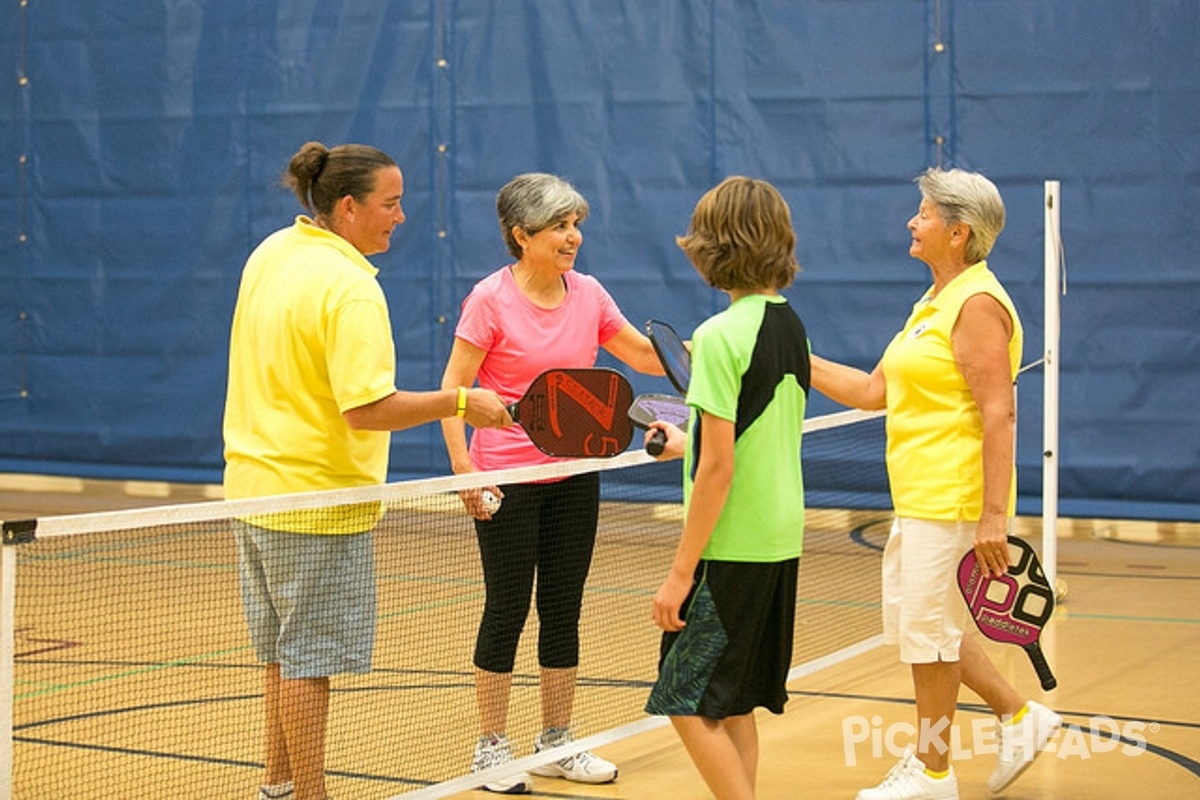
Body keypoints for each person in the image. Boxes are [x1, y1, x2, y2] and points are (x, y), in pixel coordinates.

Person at [223, 141, 511, 800]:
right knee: (309, 665)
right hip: (317, 504)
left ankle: (278, 787)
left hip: (251, 493)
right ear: (348, 207)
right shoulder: (349, 287)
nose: (401, 216)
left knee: (282, 656)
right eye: (391, 203)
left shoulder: (270, 252)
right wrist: (464, 401)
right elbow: (367, 409)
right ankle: (314, 796)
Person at [809, 167, 1063, 800]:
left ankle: (931, 772)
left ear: (959, 232)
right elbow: (873, 392)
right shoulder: (933, 302)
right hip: (917, 498)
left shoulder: (977, 304)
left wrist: (992, 518)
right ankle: (1021, 715)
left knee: (930, 635)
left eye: (922, 214)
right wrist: (794, 353)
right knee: (931, 630)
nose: (911, 222)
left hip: (952, 501)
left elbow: (999, 413)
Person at [440, 172, 663, 794]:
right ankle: (491, 750)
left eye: (575, 224)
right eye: (560, 227)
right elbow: (455, 393)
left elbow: (642, 355)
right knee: (507, 609)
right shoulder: (489, 300)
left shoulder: (588, 294)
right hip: (506, 478)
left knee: (563, 610)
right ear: (522, 235)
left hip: (574, 474)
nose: (574, 237)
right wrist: (464, 473)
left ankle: (557, 741)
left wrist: (709, 355)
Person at [642, 176, 811, 800]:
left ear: (714, 247)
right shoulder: (791, 326)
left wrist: (680, 574)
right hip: (778, 537)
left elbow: (719, 471)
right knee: (732, 704)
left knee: (684, 697)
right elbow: (748, 439)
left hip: (728, 549)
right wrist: (680, 446)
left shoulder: (717, 336)